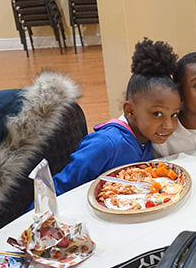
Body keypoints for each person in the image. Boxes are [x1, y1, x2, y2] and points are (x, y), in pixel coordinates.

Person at [51, 39, 182, 195]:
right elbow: (59, 189)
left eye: (174, 115)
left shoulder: (145, 137)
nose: (168, 125)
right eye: (157, 114)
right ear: (130, 111)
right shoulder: (105, 144)